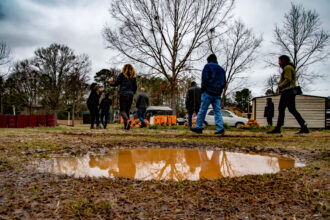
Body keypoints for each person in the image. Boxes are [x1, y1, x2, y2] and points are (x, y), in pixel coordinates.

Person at [268, 55, 309, 134]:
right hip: (288, 91)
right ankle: (303, 126)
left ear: (283, 60)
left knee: (285, 109)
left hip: (288, 91)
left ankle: (278, 128)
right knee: (288, 109)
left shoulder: (287, 68)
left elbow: (288, 79)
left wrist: (279, 86)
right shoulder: (289, 68)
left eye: (279, 61)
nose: (278, 63)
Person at [190, 54, 226, 135]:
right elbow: (224, 82)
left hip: (208, 92)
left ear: (209, 60)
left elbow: (205, 79)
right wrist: (219, 91)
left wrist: (203, 90)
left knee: (203, 110)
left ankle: (198, 127)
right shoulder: (222, 70)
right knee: (217, 111)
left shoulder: (207, 66)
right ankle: (220, 128)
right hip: (217, 94)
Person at [110, 64, 137, 130]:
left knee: (122, 110)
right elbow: (135, 87)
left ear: (124, 68)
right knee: (127, 111)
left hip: (123, 94)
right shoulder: (133, 76)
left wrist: (111, 83)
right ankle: (127, 127)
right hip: (130, 95)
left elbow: (116, 83)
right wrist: (132, 92)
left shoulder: (122, 75)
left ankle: (127, 121)